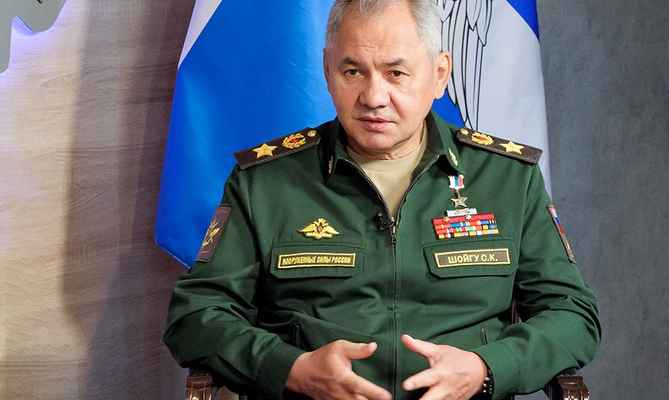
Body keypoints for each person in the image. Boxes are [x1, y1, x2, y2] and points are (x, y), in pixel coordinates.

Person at [163, 1, 601, 399]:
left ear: (440, 74)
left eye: (396, 73)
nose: (374, 98)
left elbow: (573, 315)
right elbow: (195, 316)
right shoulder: (265, 182)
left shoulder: (507, 178)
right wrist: (291, 369)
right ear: (327, 70)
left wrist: (486, 367)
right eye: (353, 71)